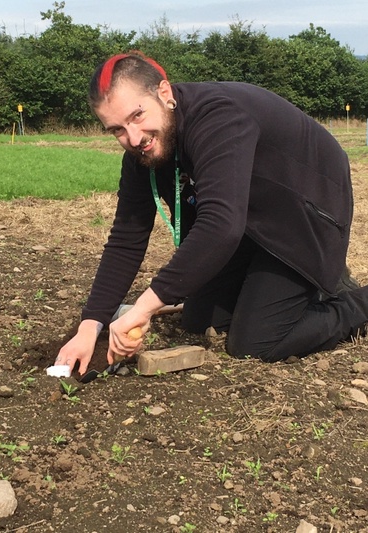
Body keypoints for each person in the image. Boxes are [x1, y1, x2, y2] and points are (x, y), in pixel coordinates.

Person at [55, 52, 368, 376]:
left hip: (305, 209)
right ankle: (290, 284)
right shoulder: (142, 153)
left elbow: (221, 225)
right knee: (200, 319)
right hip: (251, 215)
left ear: (164, 94)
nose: (134, 138)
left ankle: (351, 299)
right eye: (117, 129)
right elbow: (125, 239)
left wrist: (145, 307)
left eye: (137, 115)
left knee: (255, 342)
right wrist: (89, 327)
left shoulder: (218, 119)